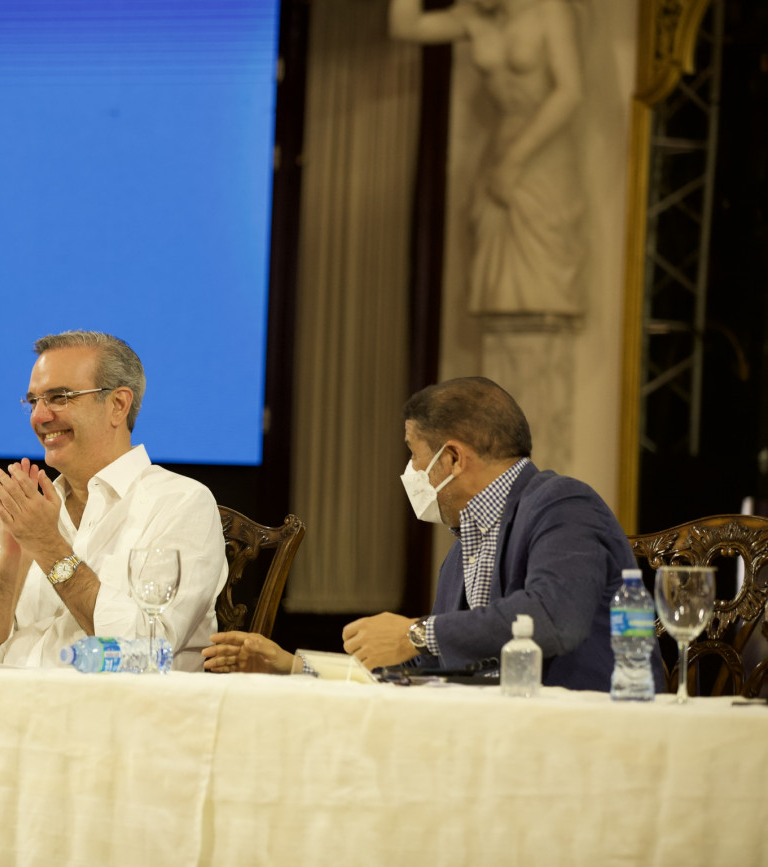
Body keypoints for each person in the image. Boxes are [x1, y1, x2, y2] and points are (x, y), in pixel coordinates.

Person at [206, 377, 662, 691]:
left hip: (589, 725)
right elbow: (428, 662)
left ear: (453, 458)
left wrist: (417, 632)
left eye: (414, 453)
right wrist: (293, 665)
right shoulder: (463, 549)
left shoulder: (562, 504)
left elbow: (552, 617)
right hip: (495, 728)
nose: (410, 470)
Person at [0, 331, 228, 671]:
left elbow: (148, 652)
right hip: (8, 700)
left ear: (118, 405)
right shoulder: (37, 510)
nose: (39, 417)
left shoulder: (180, 503)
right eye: (33, 401)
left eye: (59, 397)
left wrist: (49, 547)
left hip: (112, 705)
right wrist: (10, 558)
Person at [389, 0, 584, 316]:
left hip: (542, 148)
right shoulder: (472, 15)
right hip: (500, 145)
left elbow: (569, 93)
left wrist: (515, 160)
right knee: (495, 284)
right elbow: (405, 27)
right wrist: (505, 161)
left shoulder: (550, 10)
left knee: (541, 278)